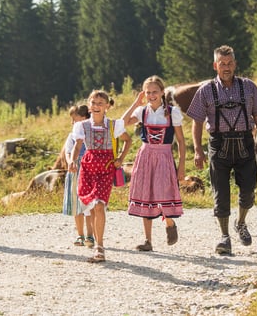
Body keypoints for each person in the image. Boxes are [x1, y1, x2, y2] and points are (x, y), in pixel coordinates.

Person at [187, 45, 257, 255]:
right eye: (222, 64)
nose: (226, 67)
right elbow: (196, 122)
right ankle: (224, 237)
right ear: (215, 66)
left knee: (248, 192)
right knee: (220, 193)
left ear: (235, 64)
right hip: (219, 145)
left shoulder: (249, 86)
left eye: (230, 63)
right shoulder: (205, 90)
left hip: (245, 144)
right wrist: (198, 150)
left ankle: (241, 222)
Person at [121, 76, 186, 252]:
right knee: (146, 195)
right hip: (145, 156)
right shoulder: (142, 111)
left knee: (163, 193)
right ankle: (147, 240)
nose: (151, 95)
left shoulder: (172, 112)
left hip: (164, 156)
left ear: (162, 92)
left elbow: (180, 140)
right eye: (148, 92)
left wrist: (181, 165)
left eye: (154, 91)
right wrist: (136, 102)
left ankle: (169, 223)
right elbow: (122, 123)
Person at [68, 90, 132, 263]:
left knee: (99, 205)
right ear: (89, 105)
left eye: (100, 103)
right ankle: (94, 240)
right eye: (93, 103)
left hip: (105, 168)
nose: (96, 106)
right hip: (88, 167)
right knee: (91, 205)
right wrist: (73, 161)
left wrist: (120, 158)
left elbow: (128, 140)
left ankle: (100, 246)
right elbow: (77, 145)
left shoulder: (113, 125)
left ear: (106, 107)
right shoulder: (81, 126)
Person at [61, 104, 96, 248]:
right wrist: (70, 162)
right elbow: (68, 152)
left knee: (89, 205)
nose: (72, 123)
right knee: (77, 204)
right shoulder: (72, 136)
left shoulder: (92, 133)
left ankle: (90, 235)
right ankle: (80, 234)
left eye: (74, 120)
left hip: (89, 171)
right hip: (76, 171)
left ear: (84, 118)